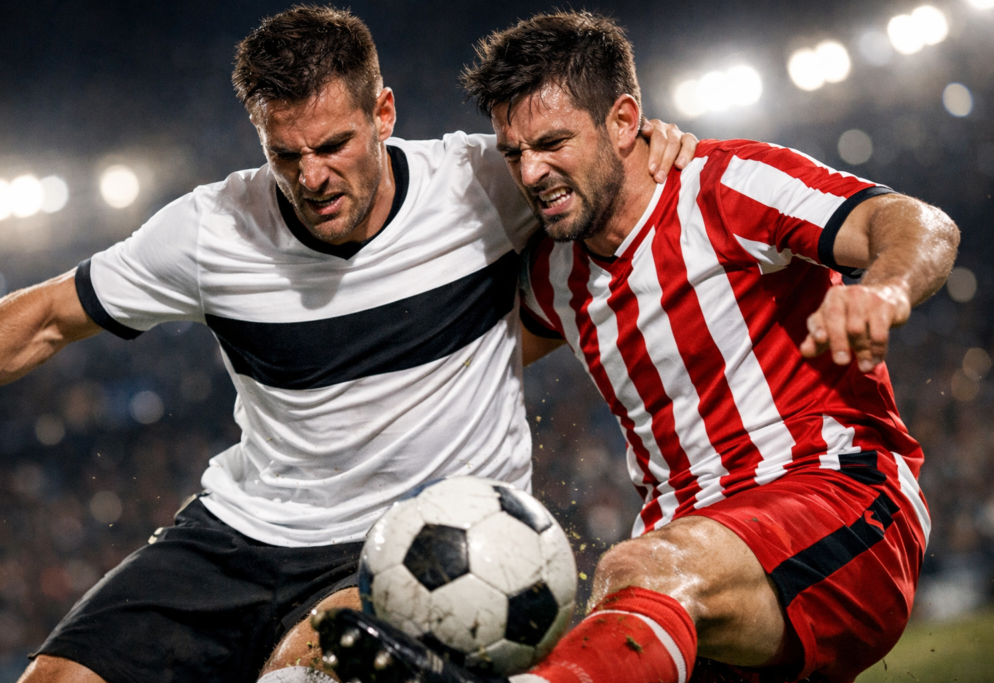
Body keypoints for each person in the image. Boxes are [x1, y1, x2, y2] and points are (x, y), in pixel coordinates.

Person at [0, 7, 696, 683]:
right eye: (285, 155)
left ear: (383, 113)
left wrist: (653, 145)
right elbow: (46, 317)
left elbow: (608, 172)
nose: (311, 177)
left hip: (406, 544)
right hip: (240, 531)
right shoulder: (211, 230)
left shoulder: (482, 184)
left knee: (299, 671)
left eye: (332, 145)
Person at [315, 10, 959, 683]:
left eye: (553, 142)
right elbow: (459, 363)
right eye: (513, 152)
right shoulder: (553, 273)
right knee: (622, 600)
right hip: (687, 578)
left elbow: (916, 223)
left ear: (624, 123)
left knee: (636, 565)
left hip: (840, 506)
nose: (531, 172)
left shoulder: (723, 187)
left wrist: (884, 290)